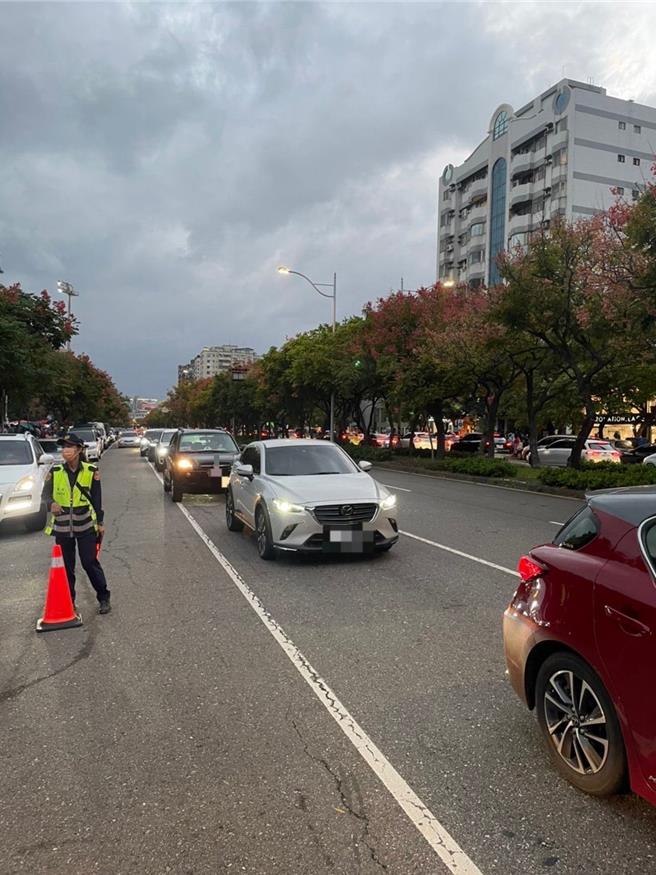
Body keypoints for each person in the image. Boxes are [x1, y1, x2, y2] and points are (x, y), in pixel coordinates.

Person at [43, 434, 111, 614]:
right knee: (66, 567)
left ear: (79, 450)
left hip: (86, 526)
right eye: (64, 447)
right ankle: (69, 602)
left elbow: (97, 499)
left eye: (70, 447)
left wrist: (101, 522)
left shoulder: (91, 471)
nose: (66, 451)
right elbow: (45, 495)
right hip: (63, 527)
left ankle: (104, 597)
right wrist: (51, 504)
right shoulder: (55, 471)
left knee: (89, 562)